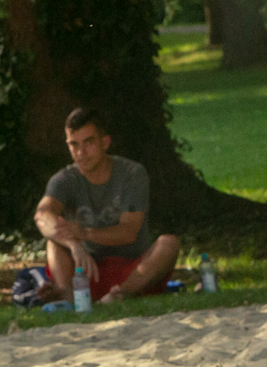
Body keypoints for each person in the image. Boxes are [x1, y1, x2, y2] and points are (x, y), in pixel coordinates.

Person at [34, 108, 181, 304]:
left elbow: (129, 231)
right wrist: (73, 243)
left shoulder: (132, 174)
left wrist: (84, 234)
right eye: (73, 144)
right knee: (54, 242)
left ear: (105, 142)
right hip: (85, 270)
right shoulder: (64, 180)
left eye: (89, 142)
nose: (81, 153)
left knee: (169, 244)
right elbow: (42, 216)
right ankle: (68, 297)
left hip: (133, 269)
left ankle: (119, 295)